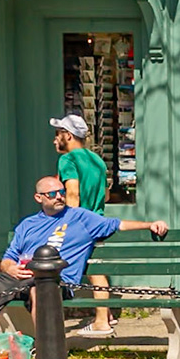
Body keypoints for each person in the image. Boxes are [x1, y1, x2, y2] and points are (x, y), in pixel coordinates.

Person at [0, 177, 167, 359]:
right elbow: (7, 259)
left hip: (55, 281)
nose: (59, 196)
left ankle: (47, 353)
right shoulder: (27, 225)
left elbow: (118, 224)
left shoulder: (81, 218)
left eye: (61, 192)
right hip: (19, 278)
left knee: (40, 290)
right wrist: (10, 268)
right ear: (39, 198)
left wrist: (150, 224)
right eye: (52, 194)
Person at [52, 113, 114, 336]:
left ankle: (101, 322)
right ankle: (105, 315)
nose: (54, 139)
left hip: (80, 224)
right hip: (98, 221)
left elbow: (72, 193)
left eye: (58, 134)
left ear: (68, 136)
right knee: (95, 268)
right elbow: (106, 195)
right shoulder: (97, 160)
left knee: (51, 266)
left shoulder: (68, 160)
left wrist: (66, 225)